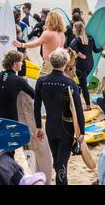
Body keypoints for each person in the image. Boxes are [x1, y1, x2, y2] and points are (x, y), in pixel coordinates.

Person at [34, 48, 84, 185]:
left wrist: (38, 126)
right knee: (61, 163)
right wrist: (82, 132)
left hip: (50, 126)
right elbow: (79, 110)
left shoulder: (41, 81)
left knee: (57, 161)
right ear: (66, 62)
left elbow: (36, 106)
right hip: (66, 128)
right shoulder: (70, 83)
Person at [13, 11, 66, 77]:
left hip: (49, 63)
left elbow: (36, 43)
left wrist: (22, 45)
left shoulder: (48, 33)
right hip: (60, 64)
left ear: (50, 21)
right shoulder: (61, 34)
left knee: (42, 82)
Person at [69, 22, 105, 110]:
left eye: (74, 28)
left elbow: (70, 48)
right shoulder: (90, 38)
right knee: (82, 83)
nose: (72, 29)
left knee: (83, 85)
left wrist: (78, 53)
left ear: (77, 29)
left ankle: (88, 106)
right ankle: (81, 99)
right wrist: (103, 48)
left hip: (81, 66)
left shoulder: (77, 39)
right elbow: (96, 50)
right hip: (90, 65)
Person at [0, 51, 35, 121]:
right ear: (15, 64)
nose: (22, 63)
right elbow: (34, 95)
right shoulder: (18, 80)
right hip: (11, 120)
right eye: (21, 61)